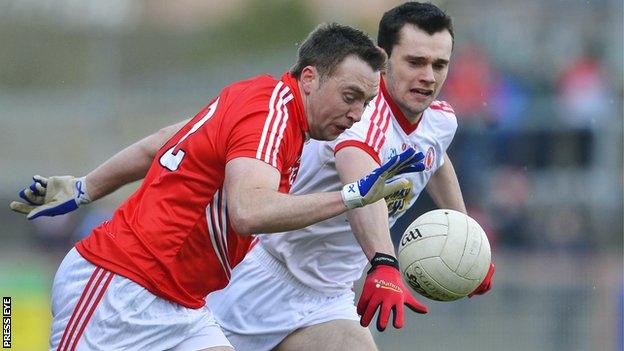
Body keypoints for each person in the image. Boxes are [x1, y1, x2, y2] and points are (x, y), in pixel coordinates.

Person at [10, 24, 426, 351]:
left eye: (366, 104)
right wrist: (354, 195)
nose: (356, 114)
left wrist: (84, 188)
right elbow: (248, 213)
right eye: (349, 96)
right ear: (310, 78)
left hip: (182, 304)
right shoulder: (271, 117)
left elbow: (163, 140)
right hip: (123, 286)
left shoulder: (262, 101)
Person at [205, 3, 495, 351]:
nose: (429, 77)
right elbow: (361, 188)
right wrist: (383, 260)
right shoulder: (360, 116)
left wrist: (466, 239)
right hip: (262, 278)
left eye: (439, 65)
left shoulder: (439, 121)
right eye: (415, 62)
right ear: (383, 60)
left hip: (329, 298)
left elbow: (435, 158)